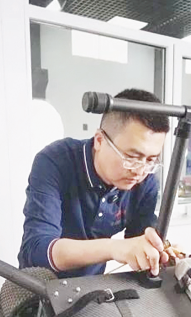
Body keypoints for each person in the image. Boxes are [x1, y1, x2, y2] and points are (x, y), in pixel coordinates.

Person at [18, 88, 172, 278]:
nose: (140, 171)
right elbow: (37, 250)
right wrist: (114, 248)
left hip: (91, 284)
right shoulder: (54, 162)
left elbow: (139, 239)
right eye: (132, 157)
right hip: (38, 283)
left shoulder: (144, 182)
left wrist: (159, 250)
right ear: (99, 140)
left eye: (151, 160)